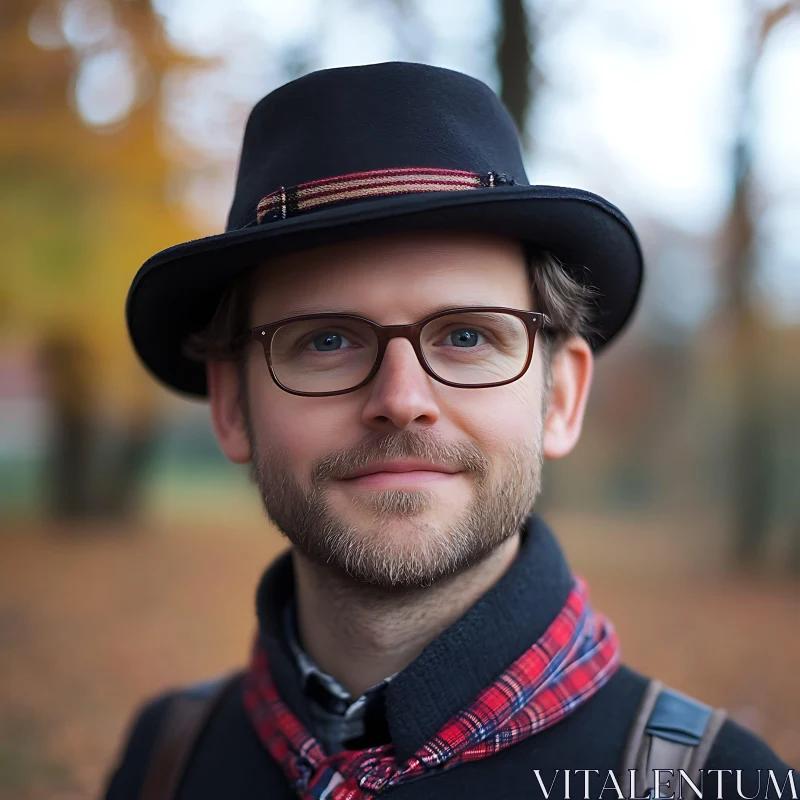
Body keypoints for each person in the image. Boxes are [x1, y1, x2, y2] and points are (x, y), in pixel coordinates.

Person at [106, 62, 796, 800]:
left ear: (560, 396)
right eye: (327, 340)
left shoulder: (723, 786)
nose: (401, 400)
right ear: (232, 408)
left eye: (467, 337)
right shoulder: (167, 761)